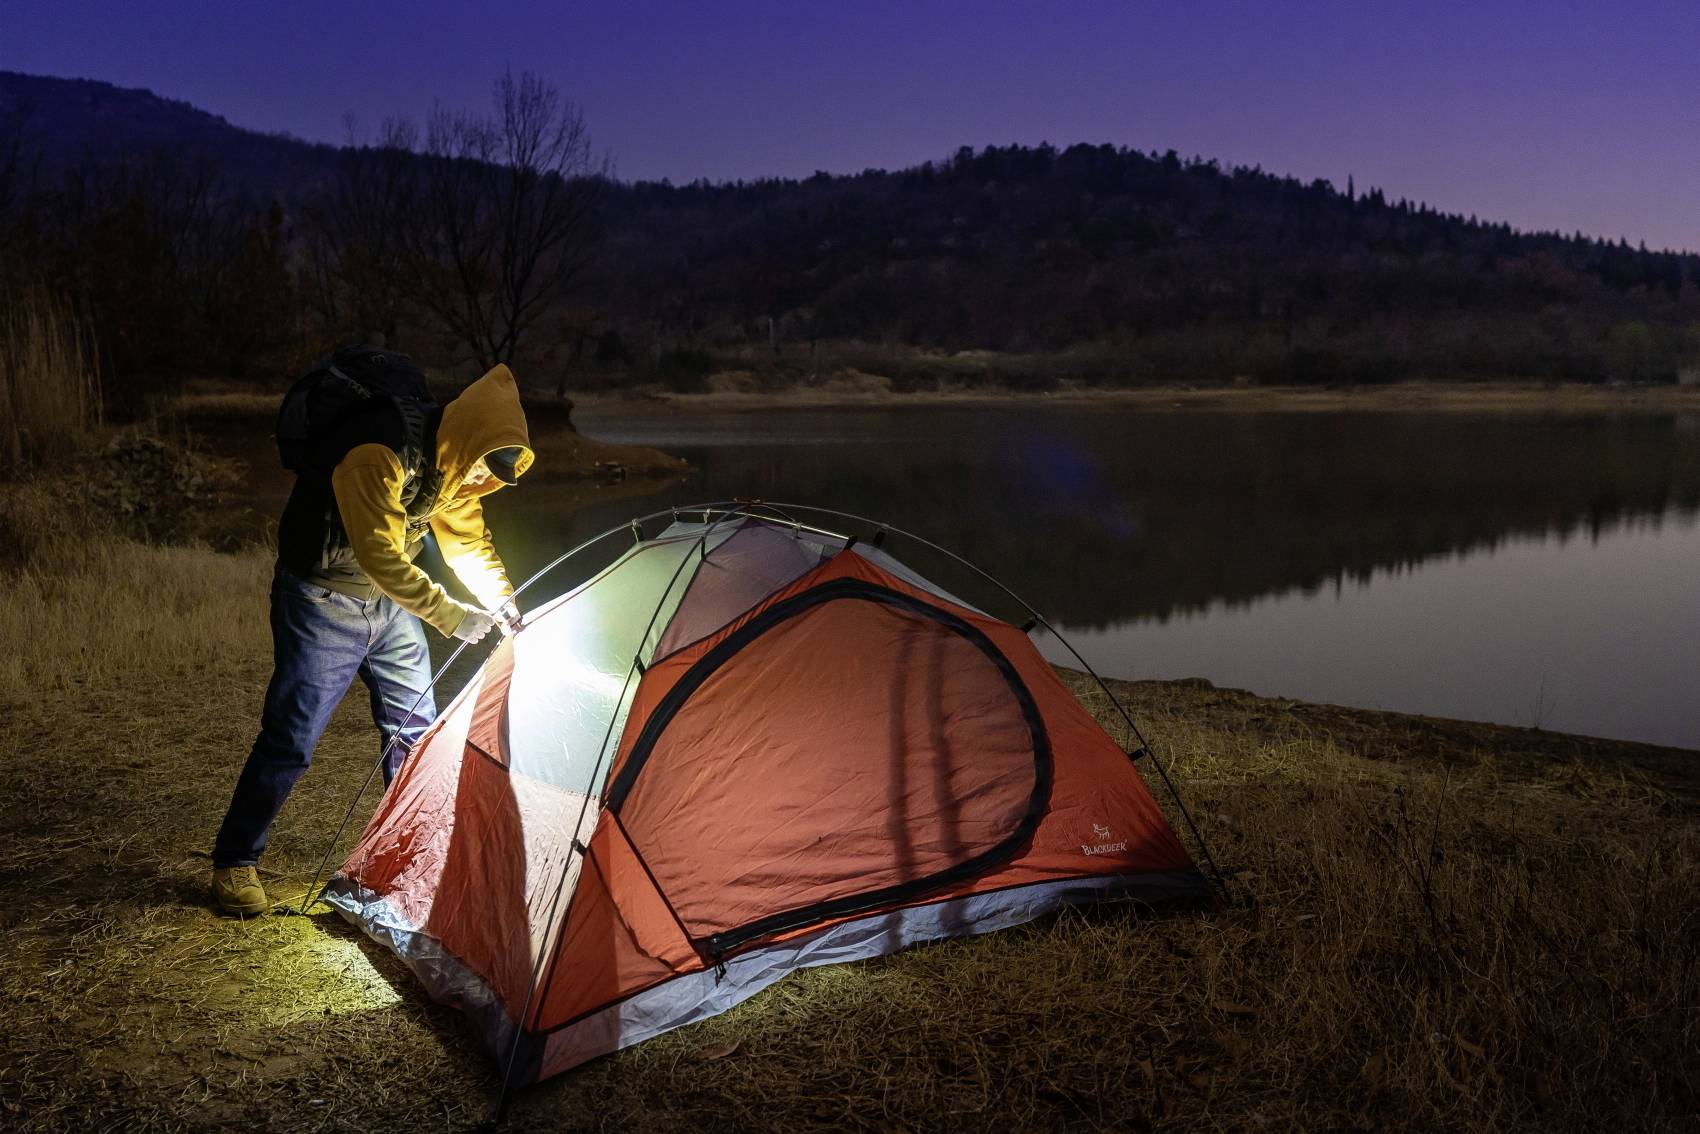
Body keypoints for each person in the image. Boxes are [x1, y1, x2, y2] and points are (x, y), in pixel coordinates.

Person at [210, 355, 534, 916]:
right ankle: (235, 861)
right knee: (291, 738)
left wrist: (501, 602)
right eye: (486, 466)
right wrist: (455, 617)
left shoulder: (454, 472)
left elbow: (467, 544)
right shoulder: (377, 452)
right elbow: (379, 554)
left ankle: (409, 860)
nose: (484, 482)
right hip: (321, 599)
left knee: (415, 734)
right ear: (467, 437)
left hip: (389, 606)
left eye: (496, 476)